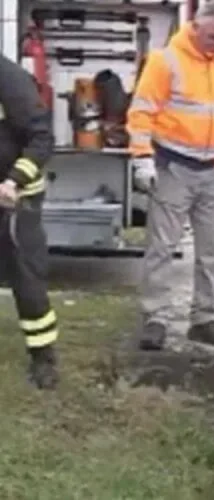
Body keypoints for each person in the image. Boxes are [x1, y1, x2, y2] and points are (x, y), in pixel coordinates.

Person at [126, 0, 214, 350]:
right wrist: (142, 159)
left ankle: (205, 319)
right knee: (162, 247)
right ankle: (155, 318)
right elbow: (141, 113)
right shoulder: (165, 60)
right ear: (196, 28)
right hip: (173, 165)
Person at [0, 54, 59, 389]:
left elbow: (41, 138)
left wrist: (13, 181)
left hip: (15, 197)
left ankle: (43, 358)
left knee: (26, 275)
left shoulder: (10, 79)